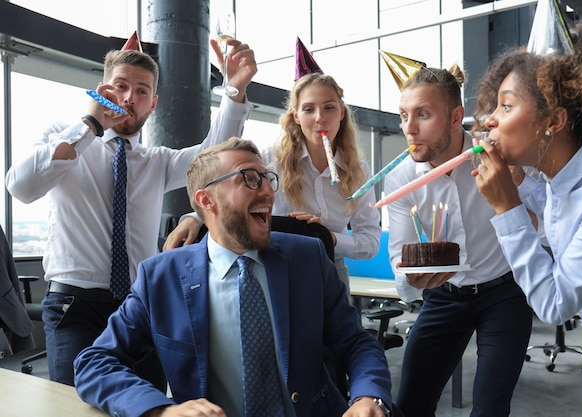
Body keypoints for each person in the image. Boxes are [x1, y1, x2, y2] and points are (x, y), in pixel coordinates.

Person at [73, 137, 393, 417]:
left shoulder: (307, 258)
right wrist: (161, 409)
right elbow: (95, 363)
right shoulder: (161, 277)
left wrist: (368, 395)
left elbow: (355, 342)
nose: (268, 190)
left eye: (268, 179)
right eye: (250, 179)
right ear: (206, 200)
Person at [4, 36, 257, 386]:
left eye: (141, 91)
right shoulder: (64, 139)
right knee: (73, 407)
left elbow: (216, 156)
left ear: (152, 104)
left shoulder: (157, 162)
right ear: (100, 90)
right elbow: (21, 187)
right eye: (120, 86)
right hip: (73, 307)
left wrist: (232, 92)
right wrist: (90, 126)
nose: (128, 98)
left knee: (147, 402)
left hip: (139, 307)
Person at [472, 20, 582, 417]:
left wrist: (506, 208)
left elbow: (555, 304)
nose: (490, 120)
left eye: (505, 106)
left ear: (552, 122)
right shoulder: (560, 177)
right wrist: (519, 185)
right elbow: (552, 231)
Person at [384, 65, 533, 417]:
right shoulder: (401, 179)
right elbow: (400, 255)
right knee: (409, 405)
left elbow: (540, 226)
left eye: (423, 114)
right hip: (444, 296)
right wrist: (410, 278)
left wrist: (520, 183)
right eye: (404, 115)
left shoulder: (495, 159)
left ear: (456, 117)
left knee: (490, 409)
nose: (409, 128)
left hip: (504, 294)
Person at [164, 72, 381, 293]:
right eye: (308, 109)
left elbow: (371, 243)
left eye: (329, 107)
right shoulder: (268, 159)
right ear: (296, 116)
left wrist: (329, 238)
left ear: (341, 113)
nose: (320, 118)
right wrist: (195, 219)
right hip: (272, 266)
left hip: (330, 270)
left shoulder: (358, 171)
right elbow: (230, 194)